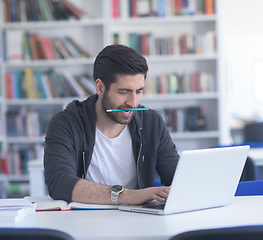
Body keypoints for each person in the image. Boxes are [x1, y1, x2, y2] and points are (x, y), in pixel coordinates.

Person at [44, 44, 179, 205]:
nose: (133, 102)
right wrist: (128, 196)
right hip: (83, 221)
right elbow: (59, 183)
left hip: (139, 220)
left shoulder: (152, 122)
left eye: (139, 91)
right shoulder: (66, 123)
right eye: (123, 92)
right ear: (100, 87)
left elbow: (177, 178)